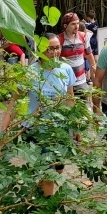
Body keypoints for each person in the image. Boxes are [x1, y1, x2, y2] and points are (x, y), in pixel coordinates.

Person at [25, 33, 76, 198]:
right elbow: (14, 100)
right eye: (50, 49)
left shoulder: (66, 69)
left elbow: (70, 98)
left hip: (59, 128)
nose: (55, 52)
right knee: (47, 169)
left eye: (57, 47)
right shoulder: (30, 72)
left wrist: (75, 126)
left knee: (58, 169)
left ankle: (41, 193)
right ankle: (48, 213)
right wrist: (5, 127)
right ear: (40, 50)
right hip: (37, 128)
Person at [58, 12, 97, 99]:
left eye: (77, 23)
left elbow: (89, 54)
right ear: (65, 26)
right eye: (73, 24)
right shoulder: (59, 39)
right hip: (65, 82)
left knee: (83, 107)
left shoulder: (83, 36)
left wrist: (94, 68)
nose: (77, 26)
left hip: (81, 81)